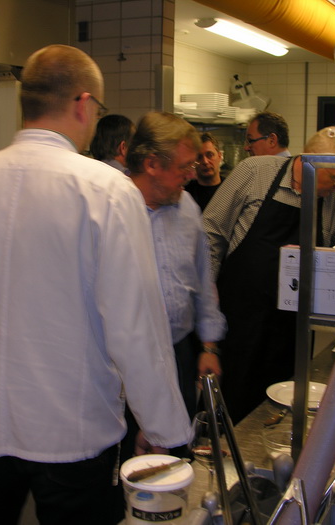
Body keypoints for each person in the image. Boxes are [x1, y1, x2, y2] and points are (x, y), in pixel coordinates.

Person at [0, 45, 191, 525]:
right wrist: (163, 429)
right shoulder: (106, 190)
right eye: (98, 111)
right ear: (83, 103)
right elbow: (134, 326)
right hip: (73, 431)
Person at [203, 126, 335, 423]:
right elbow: (210, 235)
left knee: (281, 414)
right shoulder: (255, 172)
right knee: (232, 409)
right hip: (239, 323)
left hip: (291, 333)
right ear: (309, 161)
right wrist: (207, 316)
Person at [126, 112, 226, 419]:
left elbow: (203, 281)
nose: (192, 176)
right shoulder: (113, 209)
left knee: (179, 439)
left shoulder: (187, 208)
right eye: (185, 167)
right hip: (125, 363)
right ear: (152, 164)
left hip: (179, 352)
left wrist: (209, 347)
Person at [185, 132, 225, 211]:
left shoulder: (230, 189)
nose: (205, 161)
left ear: (219, 156)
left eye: (210, 155)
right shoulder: (186, 195)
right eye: (199, 157)